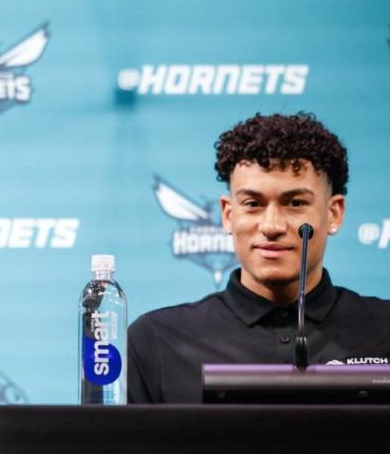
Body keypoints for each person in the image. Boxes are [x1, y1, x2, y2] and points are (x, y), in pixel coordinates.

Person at [128, 112, 390, 403]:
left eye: (295, 203)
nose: (272, 226)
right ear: (228, 215)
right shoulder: (155, 342)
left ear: (334, 213)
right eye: (253, 204)